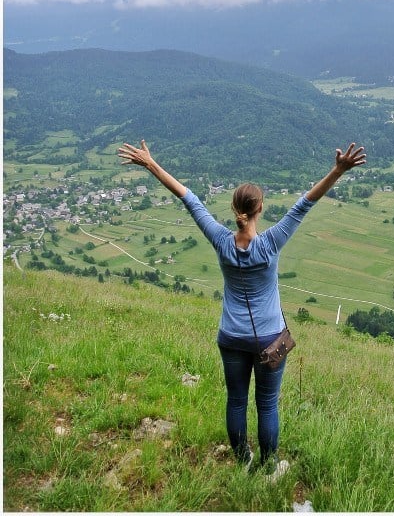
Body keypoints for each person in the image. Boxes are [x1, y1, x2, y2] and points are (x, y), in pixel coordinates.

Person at [118, 139, 366, 480]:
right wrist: (337, 170)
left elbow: (188, 198)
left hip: (231, 336)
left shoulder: (221, 240)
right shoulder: (270, 243)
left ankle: (243, 462)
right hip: (269, 339)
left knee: (236, 401)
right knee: (267, 405)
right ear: (260, 208)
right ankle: (268, 468)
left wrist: (151, 164)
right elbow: (305, 204)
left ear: (236, 209)